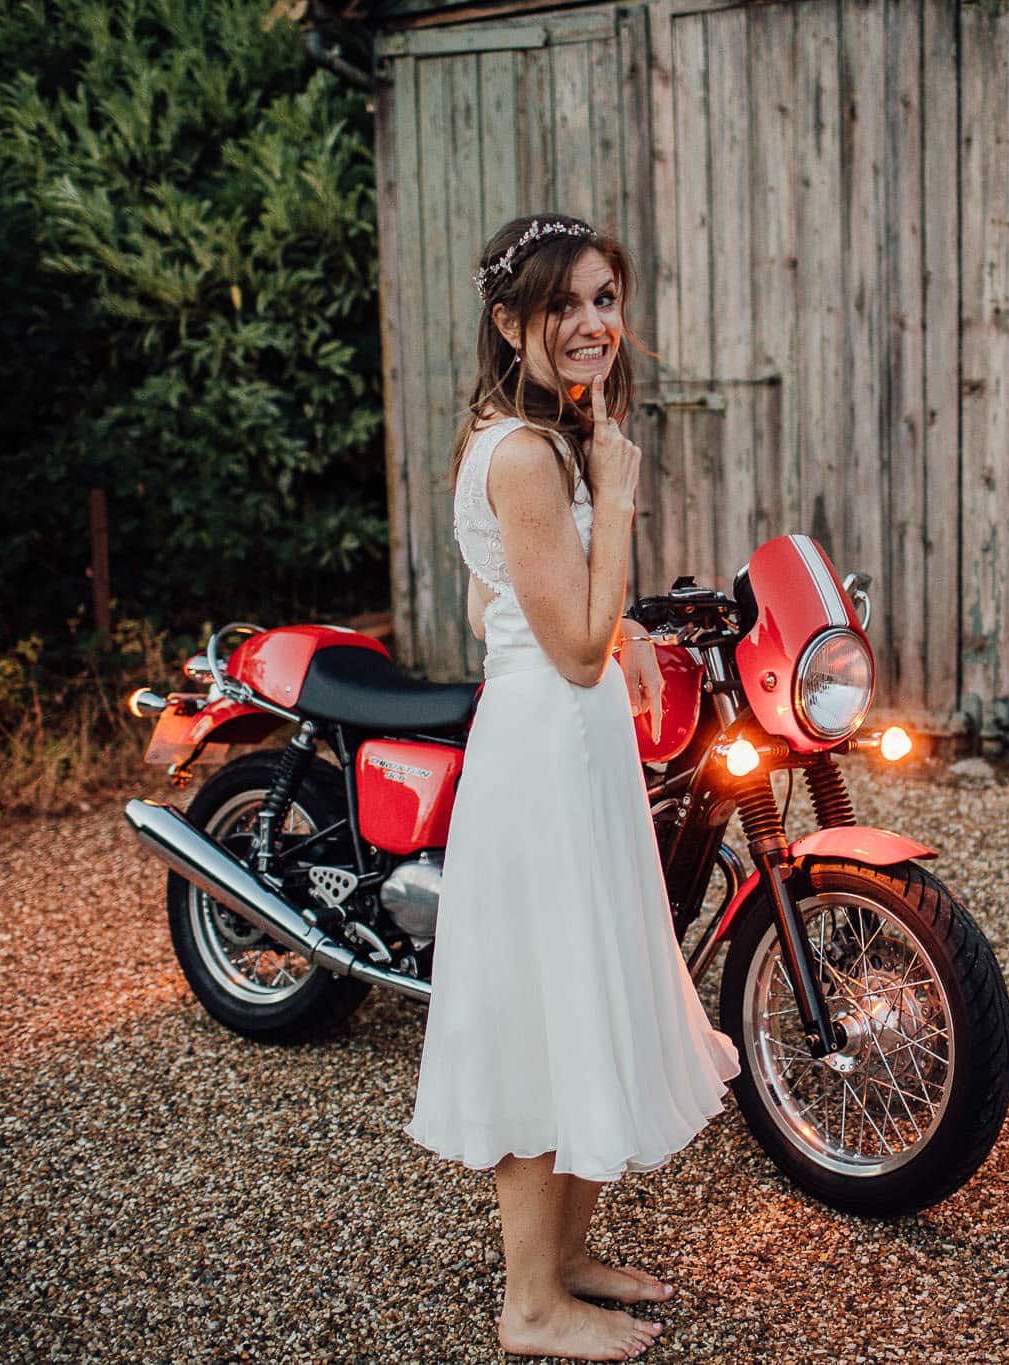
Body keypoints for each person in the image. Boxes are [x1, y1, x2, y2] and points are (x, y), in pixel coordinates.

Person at [403, 214, 741, 1362]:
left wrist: (629, 623)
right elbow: (573, 645)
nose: (593, 323)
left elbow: (539, 610)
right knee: (544, 1006)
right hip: (545, 759)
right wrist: (619, 497)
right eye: (565, 306)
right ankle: (528, 1304)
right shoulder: (527, 453)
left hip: (573, 747)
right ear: (511, 323)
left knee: (589, 985)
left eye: (605, 298)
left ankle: (568, 1260)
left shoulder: (556, 435)